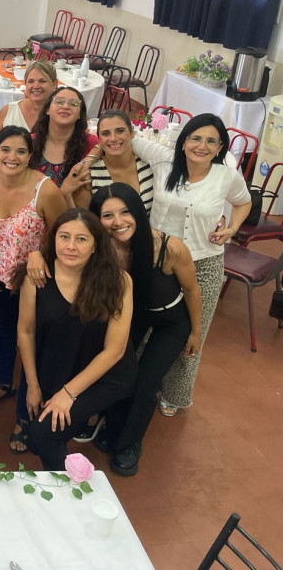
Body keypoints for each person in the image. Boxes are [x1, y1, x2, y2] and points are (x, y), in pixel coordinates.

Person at [129, 113, 251, 417]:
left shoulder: (226, 175)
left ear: (220, 146)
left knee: (194, 333)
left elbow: (243, 201)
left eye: (211, 141)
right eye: (195, 138)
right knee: (146, 329)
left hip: (205, 261)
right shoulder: (162, 158)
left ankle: (175, 394)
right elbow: (122, 137)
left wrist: (232, 228)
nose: (202, 146)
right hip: (160, 260)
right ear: (183, 141)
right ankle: (138, 382)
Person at [90, 184, 201, 475]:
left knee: (145, 383)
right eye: (108, 215)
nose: (118, 221)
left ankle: (129, 443)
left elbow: (191, 291)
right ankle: (112, 423)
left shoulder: (168, 247)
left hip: (171, 321)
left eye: (126, 212)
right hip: (133, 316)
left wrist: (195, 333)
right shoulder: (102, 249)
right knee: (117, 371)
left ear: (138, 212)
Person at [15, 208, 136, 470]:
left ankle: (67, 495)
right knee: (40, 438)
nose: (71, 246)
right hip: (60, 365)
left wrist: (68, 394)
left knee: (43, 434)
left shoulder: (119, 281)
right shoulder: (36, 278)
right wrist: (32, 386)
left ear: (95, 246)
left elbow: (115, 351)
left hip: (105, 375)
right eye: (64, 237)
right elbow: (25, 331)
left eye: (81, 239)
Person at [0, 126, 65, 451]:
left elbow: (63, 234)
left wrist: (41, 257)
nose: (12, 157)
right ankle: (4, 382)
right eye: (5, 150)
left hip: (36, 284)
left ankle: (25, 414)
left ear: (30, 156)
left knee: (32, 346)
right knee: (4, 332)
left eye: (20, 151)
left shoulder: (46, 191)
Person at [62, 110, 155, 212]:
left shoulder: (150, 165)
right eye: (106, 133)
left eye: (120, 131)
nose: (113, 138)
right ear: (99, 139)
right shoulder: (88, 176)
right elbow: (85, 220)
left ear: (132, 132)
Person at [28, 86, 98, 187]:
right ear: (47, 109)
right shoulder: (30, 142)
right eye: (59, 101)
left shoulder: (91, 144)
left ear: (79, 114)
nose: (65, 106)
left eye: (73, 103)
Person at [0, 60, 58, 133]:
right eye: (31, 81)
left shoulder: (61, 113)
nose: (36, 86)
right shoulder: (9, 110)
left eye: (42, 81)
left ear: (54, 84)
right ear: (25, 84)